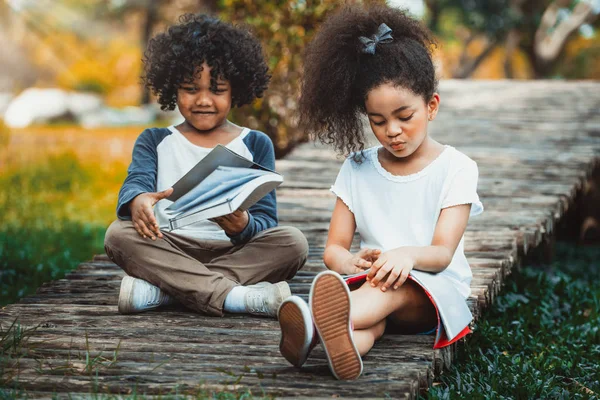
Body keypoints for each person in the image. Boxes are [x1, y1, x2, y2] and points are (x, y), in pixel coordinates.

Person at [276, 5, 484, 380]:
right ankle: (341, 346)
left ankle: (310, 320)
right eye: (378, 121)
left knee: (392, 290)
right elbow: (333, 249)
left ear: (431, 106)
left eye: (405, 117)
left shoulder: (457, 168)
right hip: (368, 290)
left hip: (429, 293)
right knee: (367, 324)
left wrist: (405, 255)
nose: (392, 131)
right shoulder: (357, 169)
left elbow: (441, 254)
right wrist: (349, 263)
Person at [104, 14, 308, 318]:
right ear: (172, 87)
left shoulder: (255, 143)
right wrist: (137, 200)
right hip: (169, 247)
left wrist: (244, 226)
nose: (203, 100)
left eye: (217, 89)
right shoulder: (155, 139)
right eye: (190, 88)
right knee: (117, 235)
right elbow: (138, 181)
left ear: (235, 90)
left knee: (294, 243)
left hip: (233, 251)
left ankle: (165, 292)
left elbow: (266, 220)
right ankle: (237, 297)